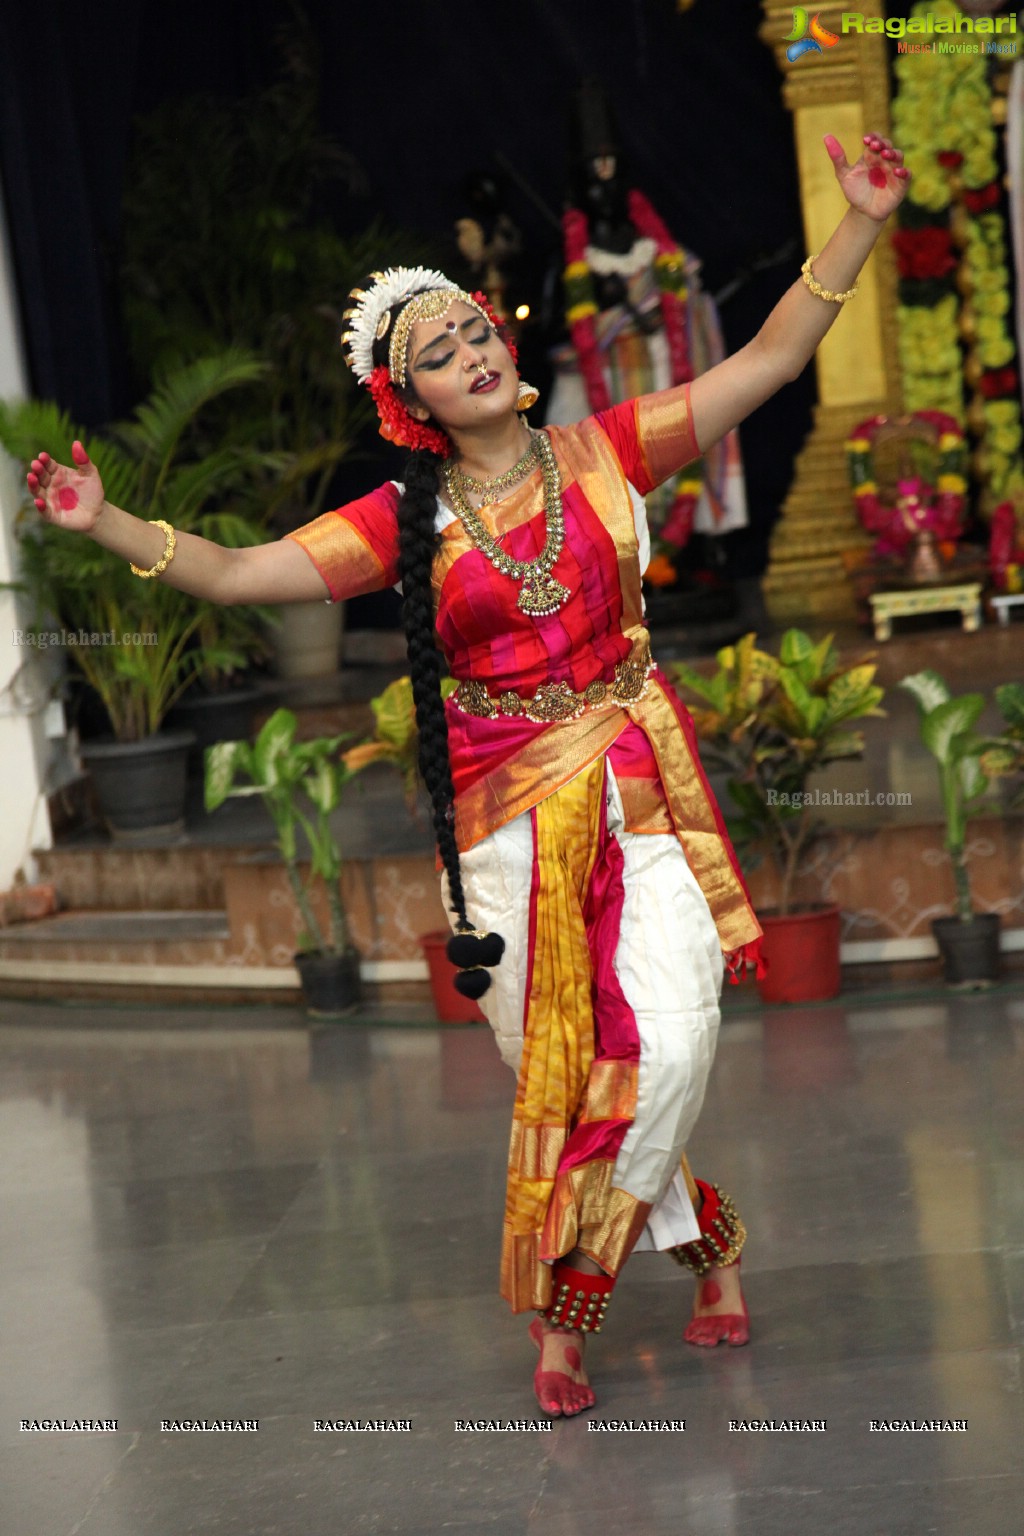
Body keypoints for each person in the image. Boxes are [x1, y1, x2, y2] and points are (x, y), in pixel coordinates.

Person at [26, 131, 910, 1420]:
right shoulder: (402, 523)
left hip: (637, 784)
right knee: (573, 1072)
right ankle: (710, 1245)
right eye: (438, 354)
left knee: (664, 1051)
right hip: (505, 822)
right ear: (414, 402)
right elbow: (237, 571)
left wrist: (863, 218)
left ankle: (571, 1308)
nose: (474, 354)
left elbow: (770, 358)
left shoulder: (612, 447)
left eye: (477, 330)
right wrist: (104, 523)